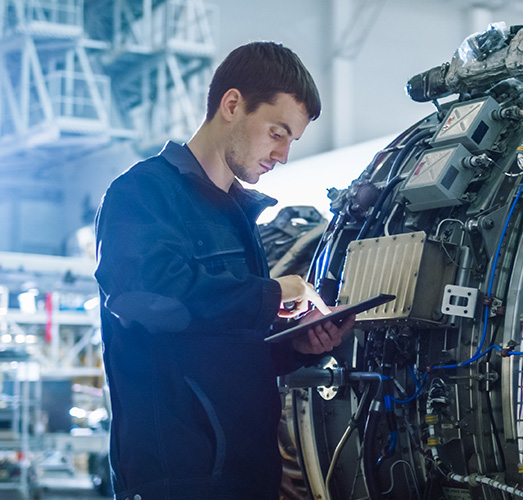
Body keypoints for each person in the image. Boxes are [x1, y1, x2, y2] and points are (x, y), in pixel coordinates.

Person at [94, 41, 355, 499]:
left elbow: (230, 348)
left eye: (291, 141)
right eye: (277, 132)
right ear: (232, 104)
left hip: (248, 476)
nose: (283, 154)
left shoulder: (236, 216)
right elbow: (148, 299)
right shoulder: (142, 192)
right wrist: (271, 295)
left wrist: (299, 345)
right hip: (179, 478)